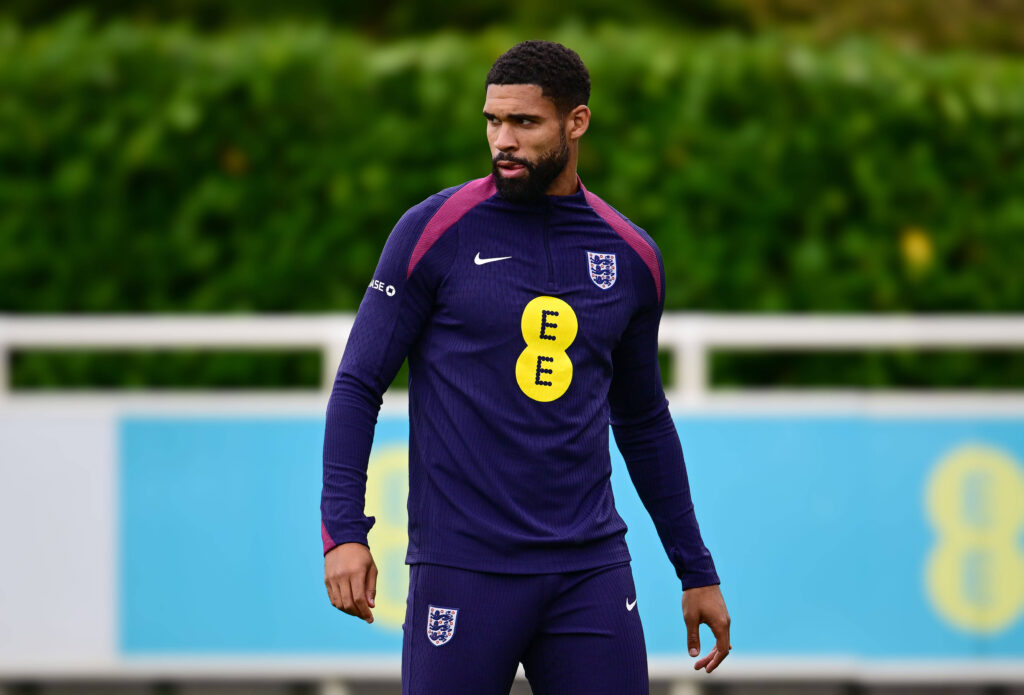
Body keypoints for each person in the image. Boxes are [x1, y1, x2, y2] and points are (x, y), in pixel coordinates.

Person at [321, 40, 731, 695]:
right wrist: (343, 531)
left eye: (524, 122)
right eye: (493, 121)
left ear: (577, 122)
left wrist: (696, 569)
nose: (502, 140)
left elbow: (644, 421)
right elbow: (357, 385)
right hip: (462, 567)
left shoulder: (631, 256)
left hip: (589, 570)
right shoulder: (433, 231)